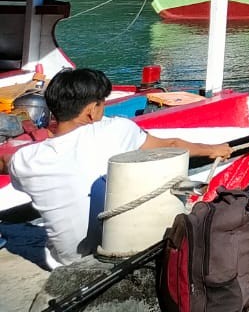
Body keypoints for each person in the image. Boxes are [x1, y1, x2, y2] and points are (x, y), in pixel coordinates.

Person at [6, 68, 232, 269]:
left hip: (66, 260)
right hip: (115, 251)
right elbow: (172, 146)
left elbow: (7, 162)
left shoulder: (26, 160)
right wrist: (213, 150)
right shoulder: (116, 131)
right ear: (91, 110)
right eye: (102, 103)